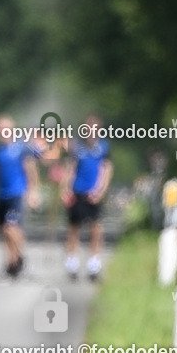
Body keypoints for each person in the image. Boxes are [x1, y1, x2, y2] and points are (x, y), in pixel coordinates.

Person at [60, 114, 113, 281]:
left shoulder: (103, 147)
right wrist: (65, 188)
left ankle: (94, 261)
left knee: (95, 227)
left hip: (93, 193)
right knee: (73, 227)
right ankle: (72, 261)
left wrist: (101, 190)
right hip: (78, 191)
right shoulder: (77, 146)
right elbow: (71, 168)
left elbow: (106, 169)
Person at [0, 115, 40, 278]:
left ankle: (17, 259)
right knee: (4, 231)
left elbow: (31, 172)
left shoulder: (21, 149)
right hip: (1, 195)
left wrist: (33, 192)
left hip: (16, 194)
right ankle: (12, 262)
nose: (0, 132)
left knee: (11, 228)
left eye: (3, 129)